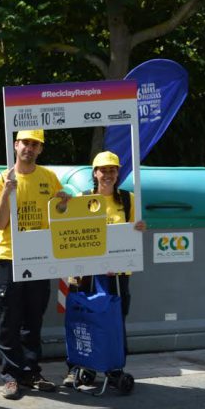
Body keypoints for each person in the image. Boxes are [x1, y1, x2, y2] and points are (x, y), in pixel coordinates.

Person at [0, 129, 70, 400]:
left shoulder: (49, 177)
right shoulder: (2, 178)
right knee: (9, 319)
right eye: (26, 142)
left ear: (40, 149)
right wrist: (6, 194)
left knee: (33, 318)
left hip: (40, 257)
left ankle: (31, 371)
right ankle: (11, 375)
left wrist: (65, 204)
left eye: (35, 144)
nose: (30, 148)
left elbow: (60, 213)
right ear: (16, 145)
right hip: (10, 256)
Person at [62, 150, 146, 386]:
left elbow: (135, 233)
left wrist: (140, 227)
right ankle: (78, 367)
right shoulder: (83, 197)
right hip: (87, 274)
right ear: (95, 173)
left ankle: (114, 368)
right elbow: (71, 233)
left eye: (113, 170)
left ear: (118, 172)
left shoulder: (128, 199)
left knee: (114, 321)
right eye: (103, 170)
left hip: (117, 275)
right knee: (84, 321)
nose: (108, 174)